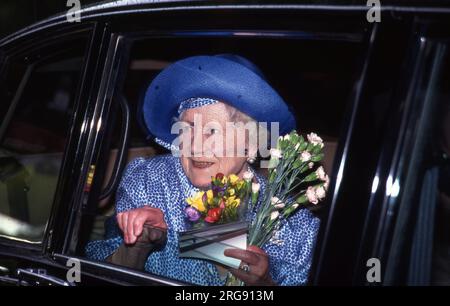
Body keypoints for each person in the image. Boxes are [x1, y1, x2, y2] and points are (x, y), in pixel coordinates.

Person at [85, 54, 320, 286]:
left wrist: (265, 283)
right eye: (188, 128)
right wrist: (140, 243)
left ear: (252, 141)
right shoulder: (149, 180)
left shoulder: (288, 218)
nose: (195, 146)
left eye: (213, 131)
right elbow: (100, 276)